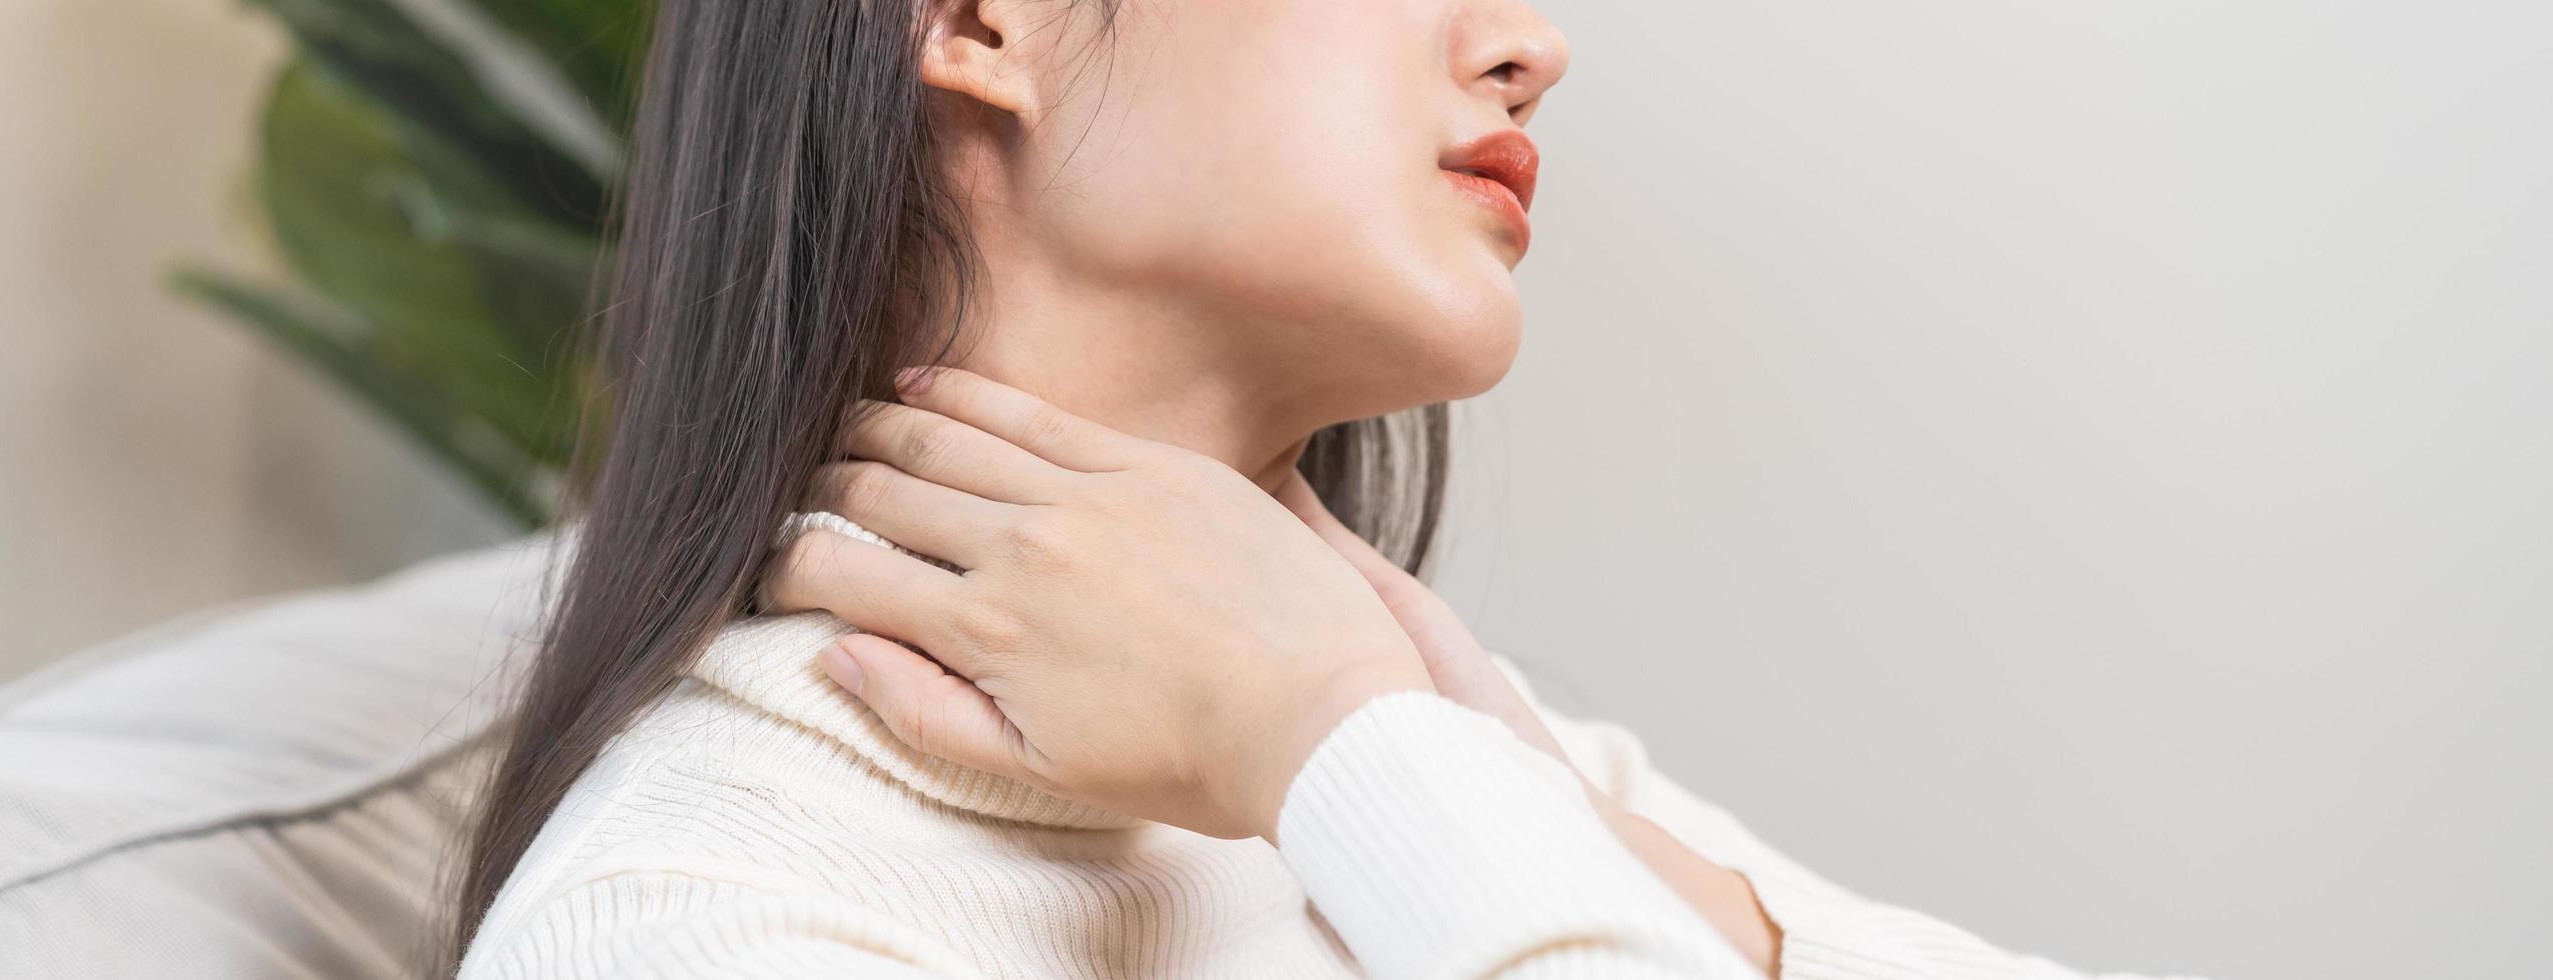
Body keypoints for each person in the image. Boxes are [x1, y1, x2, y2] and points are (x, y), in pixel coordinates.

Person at [447, 0, 2207, 977]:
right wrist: (1344, 751)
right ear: (986, 18)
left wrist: (1386, 756)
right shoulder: (703, 921)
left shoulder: (1438, 738)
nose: (1537, 43)